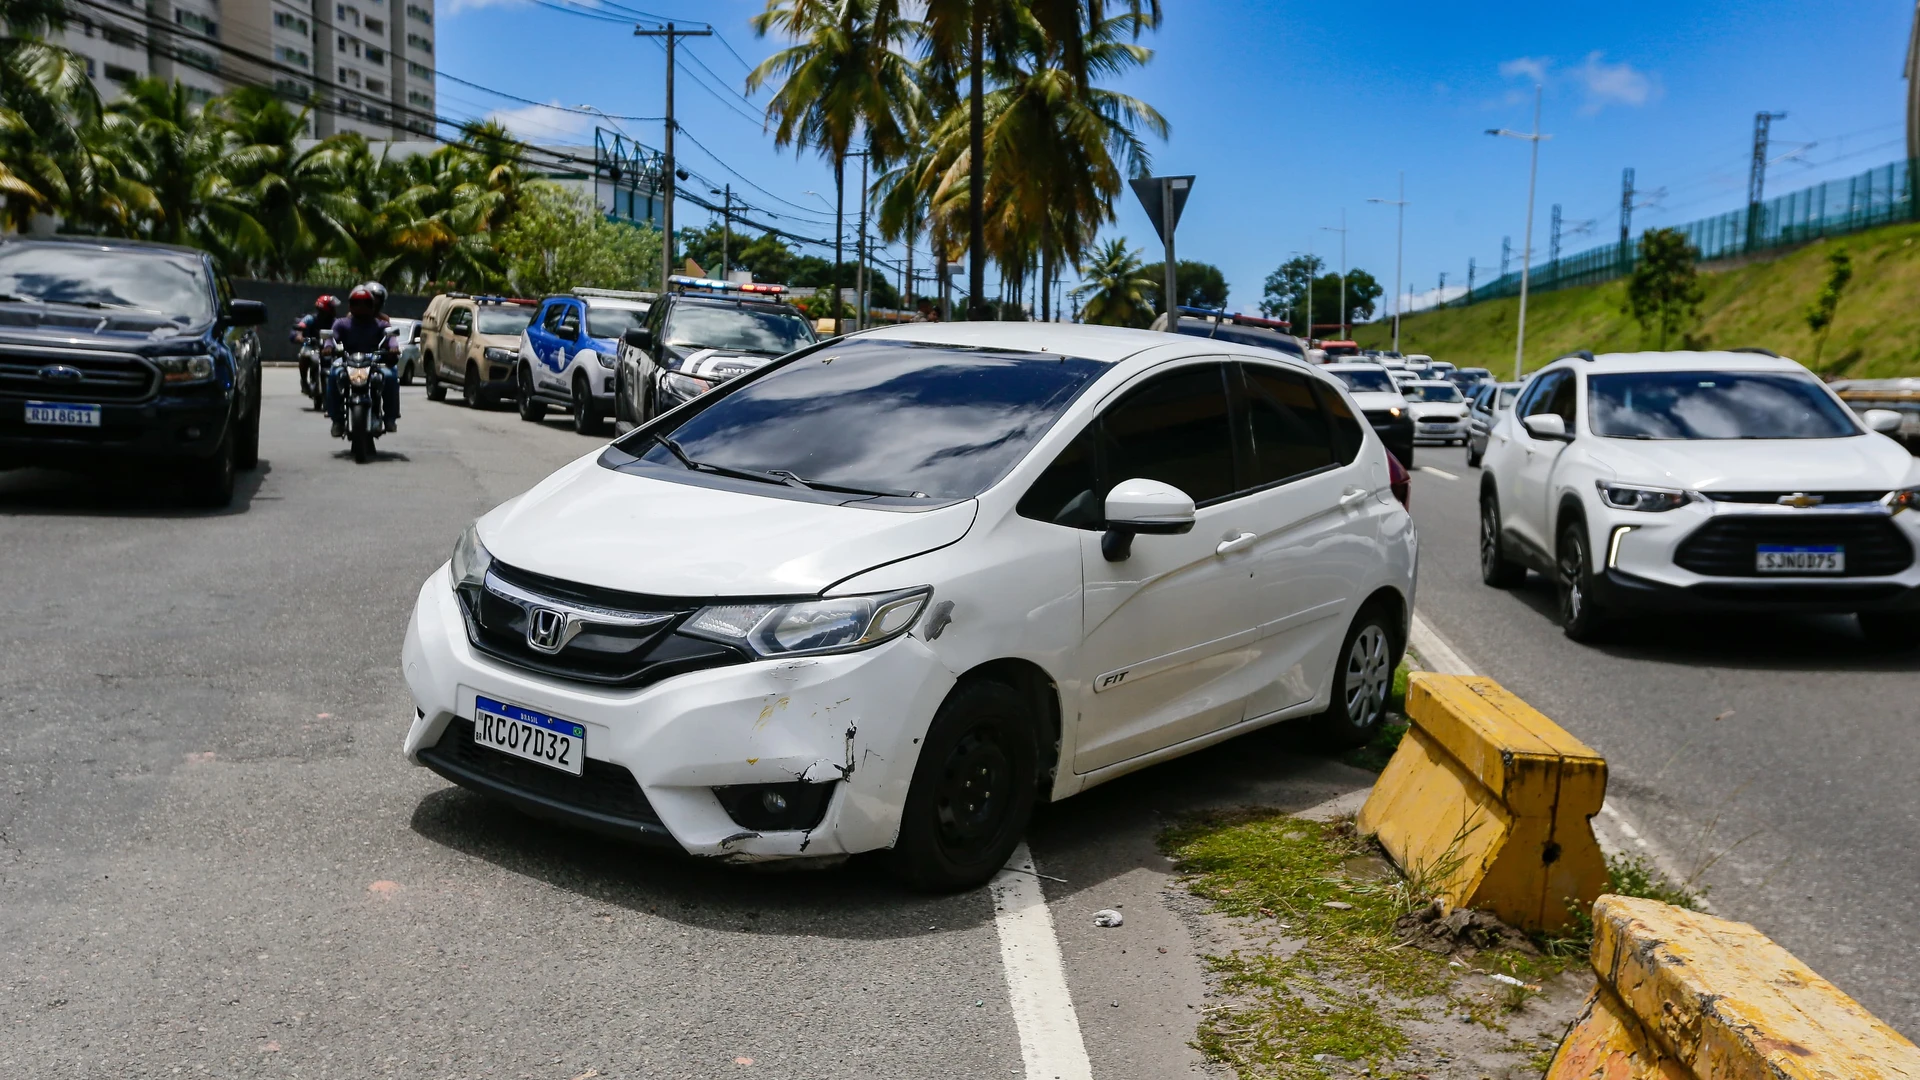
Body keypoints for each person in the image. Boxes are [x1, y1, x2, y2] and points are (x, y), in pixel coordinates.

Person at [323, 284, 401, 437]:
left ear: (372, 306)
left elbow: (390, 338)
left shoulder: (381, 324)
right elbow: (331, 338)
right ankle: (337, 420)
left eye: (365, 304)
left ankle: (390, 418)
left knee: (391, 376)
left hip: (374, 361)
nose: (361, 307)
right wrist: (328, 346)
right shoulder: (341, 323)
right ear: (350, 305)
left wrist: (392, 347)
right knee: (334, 374)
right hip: (348, 360)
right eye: (357, 303)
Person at [291, 295, 339, 394]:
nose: (334, 310)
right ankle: (304, 381)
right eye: (332, 308)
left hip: (329, 348)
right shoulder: (310, 318)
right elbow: (301, 326)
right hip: (312, 346)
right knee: (303, 355)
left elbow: (341, 331)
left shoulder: (335, 322)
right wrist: (299, 336)